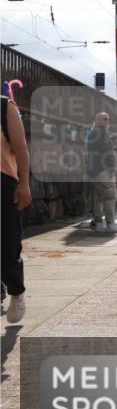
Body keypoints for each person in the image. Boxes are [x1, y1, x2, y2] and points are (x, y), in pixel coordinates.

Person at [2, 93, 31, 323]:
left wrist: (24, 183)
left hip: (3, 182)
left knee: (7, 245)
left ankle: (16, 291)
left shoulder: (5, 106)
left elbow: (21, 147)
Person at [85, 112, 117, 233]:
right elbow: (107, 152)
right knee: (110, 195)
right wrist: (112, 167)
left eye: (108, 119)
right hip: (103, 169)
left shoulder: (91, 132)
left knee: (98, 197)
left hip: (93, 170)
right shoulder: (101, 133)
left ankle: (98, 224)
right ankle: (110, 223)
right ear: (97, 120)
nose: (107, 122)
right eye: (104, 119)